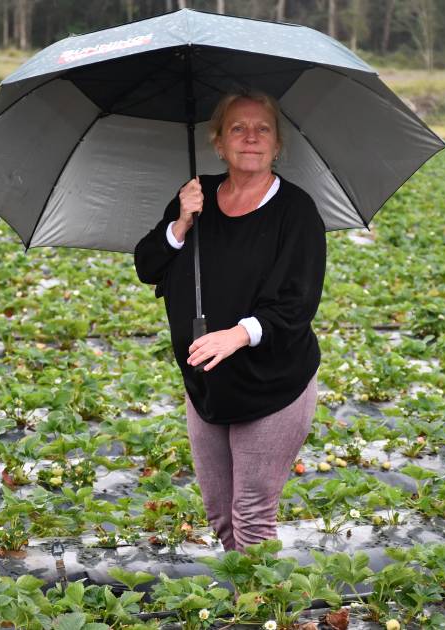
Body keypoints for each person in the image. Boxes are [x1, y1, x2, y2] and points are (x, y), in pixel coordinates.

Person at [133, 89, 326, 552]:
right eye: (238, 128)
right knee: (222, 517)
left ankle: (266, 618)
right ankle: (252, 606)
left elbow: (296, 306)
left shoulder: (296, 213)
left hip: (273, 386)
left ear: (278, 144)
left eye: (263, 129)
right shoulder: (194, 199)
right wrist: (181, 223)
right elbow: (147, 266)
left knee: (253, 517)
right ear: (219, 142)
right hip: (207, 385)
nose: (251, 138)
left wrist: (238, 334)